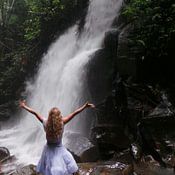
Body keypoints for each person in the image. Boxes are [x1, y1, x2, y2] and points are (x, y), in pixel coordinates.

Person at [19, 100, 95, 175]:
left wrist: (24, 106)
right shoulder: (62, 122)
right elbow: (74, 113)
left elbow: (35, 113)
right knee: (68, 163)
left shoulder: (45, 123)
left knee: (50, 166)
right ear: (58, 116)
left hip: (48, 149)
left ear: (49, 115)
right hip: (60, 149)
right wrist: (85, 106)